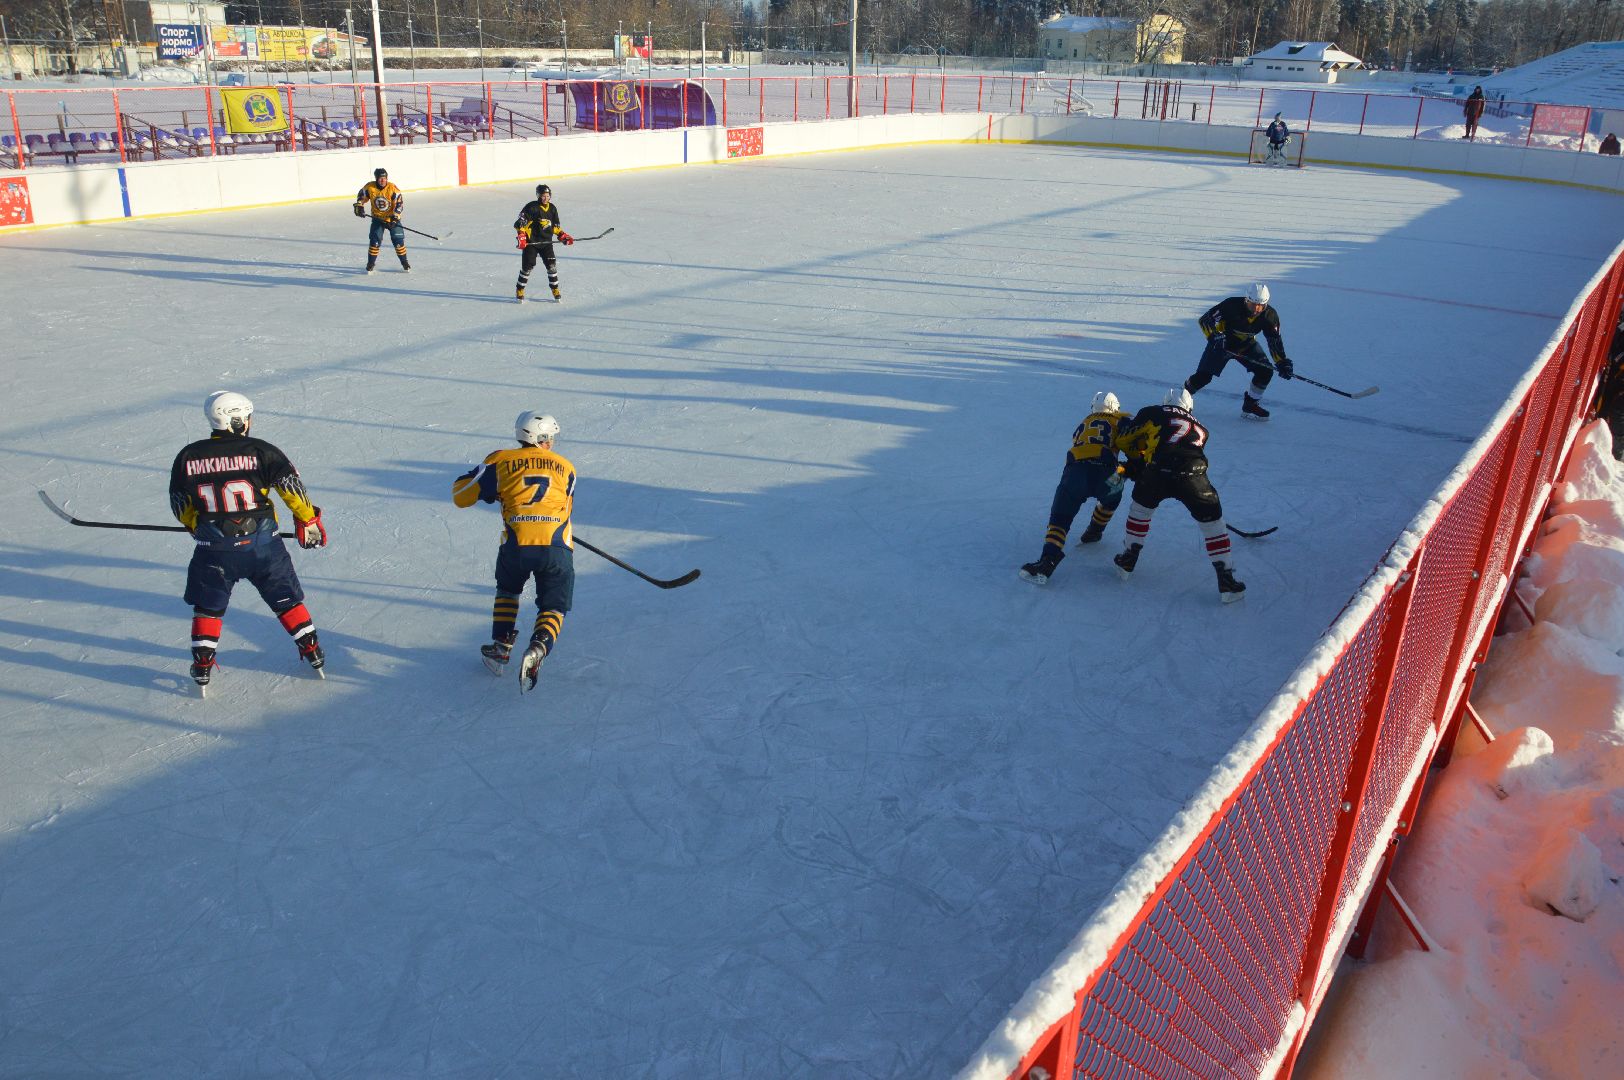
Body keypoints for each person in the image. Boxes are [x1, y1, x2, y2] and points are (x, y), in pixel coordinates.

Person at [169, 392, 329, 691]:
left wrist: (196, 525)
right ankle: (312, 649)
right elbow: (291, 489)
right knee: (286, 600)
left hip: (214, 550)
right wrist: (308, 520)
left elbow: (179, 505)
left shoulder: (188, 456)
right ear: (238, 420)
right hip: (263, 545)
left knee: (209, 608)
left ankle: (202, 664)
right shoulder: (262, 451)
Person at [452, 410, 577, 691]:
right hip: (556, 545)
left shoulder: (501, 460)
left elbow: (460, 495)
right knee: (554, 605)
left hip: (516, 544)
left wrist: (493, 490)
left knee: (508, 590)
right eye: (551, 438)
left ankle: (501, 645)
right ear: (543, 439)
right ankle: (539, 647)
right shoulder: (567, 467)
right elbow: (565, 507)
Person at [1111, 388, 1245, 603]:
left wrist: (1139, 458)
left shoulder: (1153, 411)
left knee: (1140, 510)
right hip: (1194, 474)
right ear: (1189, 407)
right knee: (1213, 524)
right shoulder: (1202, 428)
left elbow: (1125, 439)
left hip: (1158, 470)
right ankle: (1227, 579)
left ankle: (1128, 558)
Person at [1019, 391, 1131, 585]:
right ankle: (1095, 530)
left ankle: (1048, 560)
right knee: (1112, 498)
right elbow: (1134, 445)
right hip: (1106, 472)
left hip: (1075, 472)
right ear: (1115, 408)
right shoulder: (1119, 420)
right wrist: (1127, 468)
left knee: (1060, 518)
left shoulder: (1084, 423)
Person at [1183, 283, 1294, 420]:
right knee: (1204, 376)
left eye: (1261, 306)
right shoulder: (1231, 305)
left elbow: (1274, 340)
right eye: (1253, 304)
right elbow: (1205, 320)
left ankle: (1250, 405)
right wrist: (1214, 336)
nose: (1256, 309)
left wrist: (1281, 361)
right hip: (1222, 344)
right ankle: (1180, 402)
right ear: (1246, 300)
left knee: (1265, 371)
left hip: (1246, 345)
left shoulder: (1270, 316)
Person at [513, 183, 574, 302]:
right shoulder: (532, 207)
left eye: (547, 195)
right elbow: (519, 223)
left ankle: (555, 289)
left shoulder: (552, 208)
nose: (546, 198)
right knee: (527, 268)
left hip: (546, 243)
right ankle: (519, 289)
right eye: (543, 196)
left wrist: (562, 235)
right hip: (532, 243)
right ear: (538, 196)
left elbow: (555, 227)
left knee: (552, 267)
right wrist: (521, 236)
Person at [352, 167, 409, 273]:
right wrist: (359, 205)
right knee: (374, 241)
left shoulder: (393, 188)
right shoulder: (370, 187)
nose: (383, 180)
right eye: (380, 178)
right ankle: (370, 264)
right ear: (376, 178)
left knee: (398, 240)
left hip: (391, 219)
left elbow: (399, 204)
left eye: (384, 178)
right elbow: (361, 196)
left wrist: (395, 217)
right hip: (377, 219)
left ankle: (404, 262)